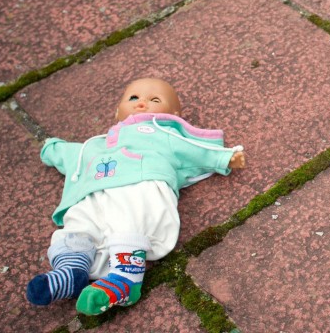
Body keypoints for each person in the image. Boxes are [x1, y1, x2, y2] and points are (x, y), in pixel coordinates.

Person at [25, 77, 246, 315]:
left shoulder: (161, 134)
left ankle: (125, 279)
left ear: (174, 115)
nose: (142, 103)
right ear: (117, 110)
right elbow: (73, 155)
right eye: (133, 98)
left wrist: (224, 158)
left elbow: (191, 149)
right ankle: (71, 271)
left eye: (154, 99)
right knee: (79, 222)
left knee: (130, 221)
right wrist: (53, 149)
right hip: (94, 194)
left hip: (140, 185)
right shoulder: (96, 145)